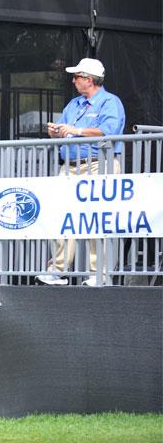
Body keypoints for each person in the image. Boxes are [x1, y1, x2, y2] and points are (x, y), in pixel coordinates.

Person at [38, 58, 126, 287]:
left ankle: (99, 274)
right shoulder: (74, 104)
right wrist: (55, 131)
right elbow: (64, 129)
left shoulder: (110, 102)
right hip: (70, 167)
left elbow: (109, 131)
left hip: (100, 164)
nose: (73, 80)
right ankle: (57, 272)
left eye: (77, 76)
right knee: (61, 217)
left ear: (89, 79)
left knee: (96, 218)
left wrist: (75, 130)